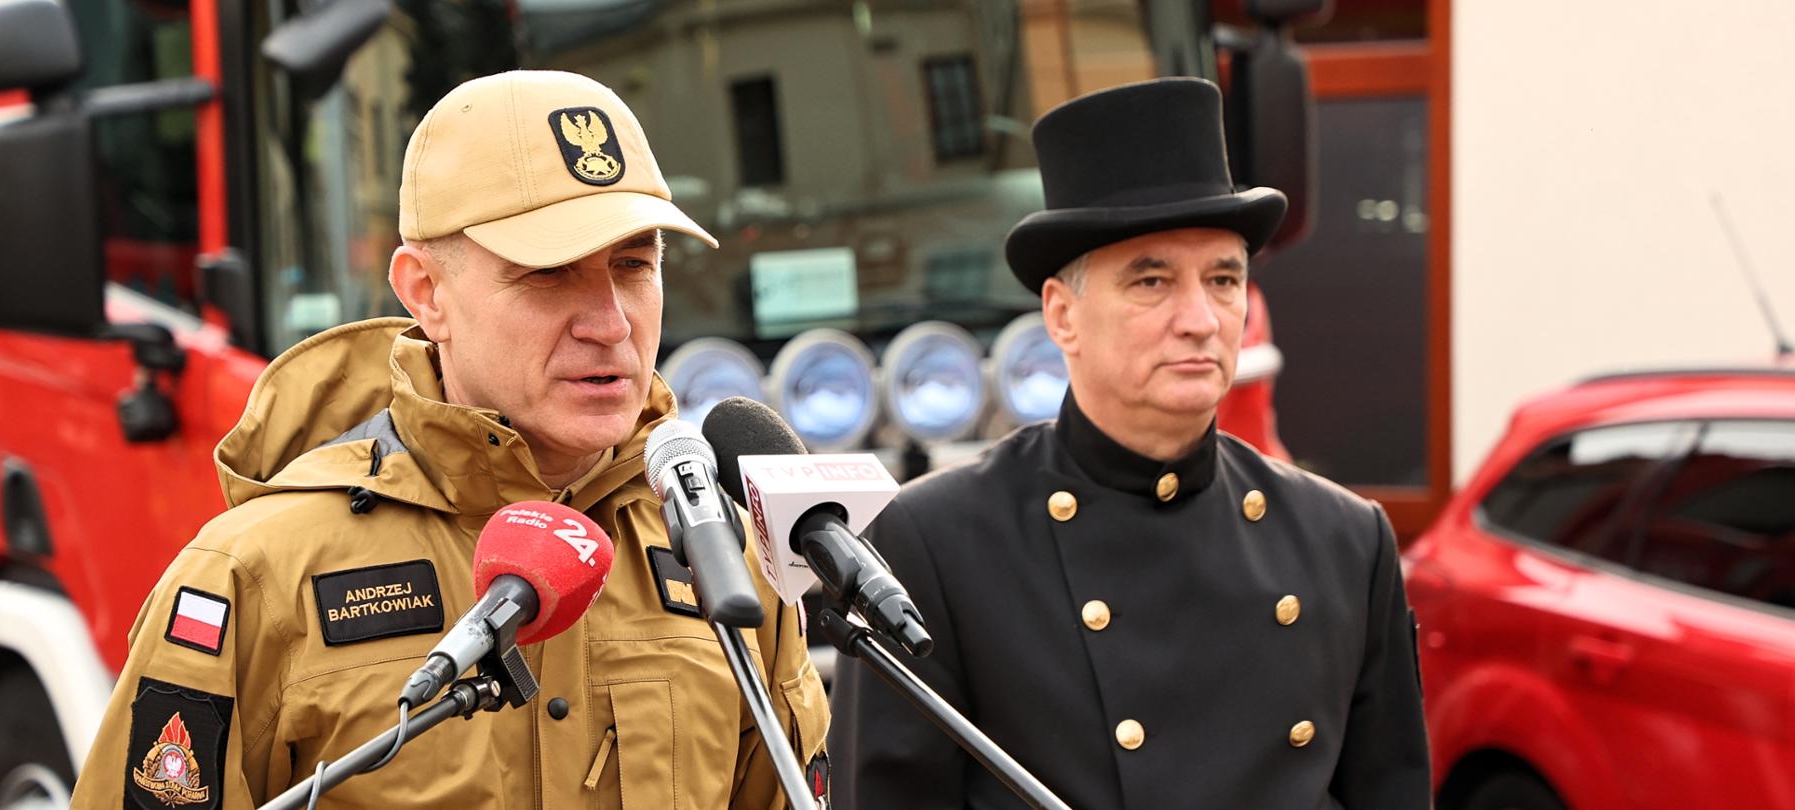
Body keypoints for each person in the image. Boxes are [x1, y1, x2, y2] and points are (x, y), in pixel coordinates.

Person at [72, 70, 830, 810]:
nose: (610, 322)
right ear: (426, 292)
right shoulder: (254, 576)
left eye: (634, 266)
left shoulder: (723, 557)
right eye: (550, 273)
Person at [828, 77, 1429, 809]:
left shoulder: (1345, 540)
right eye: (1151, 281)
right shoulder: (934, 545)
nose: (1200, 318)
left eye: (1224, 278)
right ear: (1062, 315)